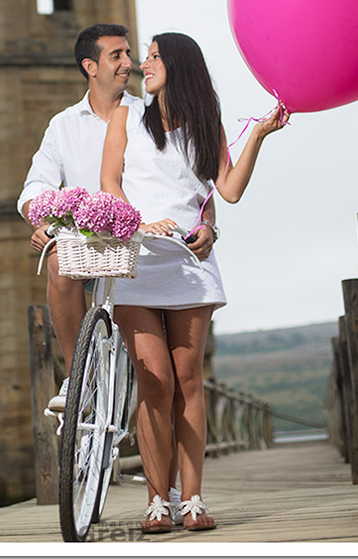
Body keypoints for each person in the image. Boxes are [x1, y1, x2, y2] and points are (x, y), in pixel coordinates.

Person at [100, 32, 289, 533]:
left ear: (179, 65)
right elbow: (109, 184)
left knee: (187, 383)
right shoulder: (125, 117)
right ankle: (157, 498)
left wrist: (260, 136)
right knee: (154, 380)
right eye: (146, 56)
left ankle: (194, 499)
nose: (144, 63)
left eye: (155, 56)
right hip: (137, 262)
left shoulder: (208, 126)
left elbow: (227, 191)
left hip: (190, 265)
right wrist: (136, 220)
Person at [18, 24, 218, 415]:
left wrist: (209, 224)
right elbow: (35, 186)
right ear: (90, 66)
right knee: (59, 262)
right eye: (117, 56)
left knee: (166, 378)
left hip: (150, 249)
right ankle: (80, 374)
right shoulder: (64, 125)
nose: (131, 63)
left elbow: (196, 177)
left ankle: (165, 472)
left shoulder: (151, 112)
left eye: (130, 53)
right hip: (91, 247)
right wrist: (39, 222)